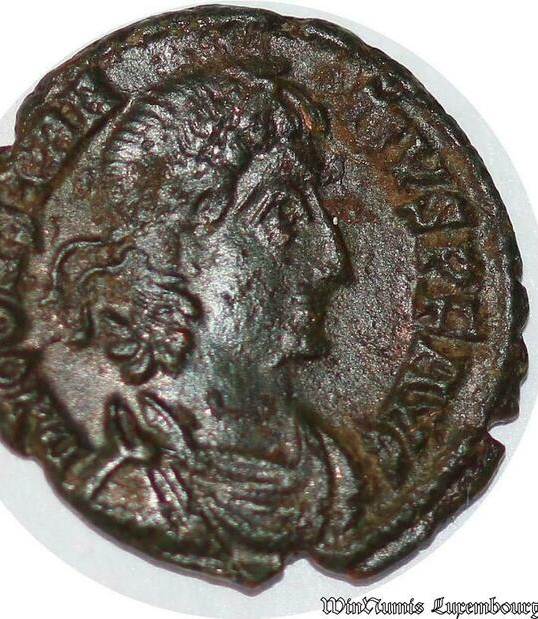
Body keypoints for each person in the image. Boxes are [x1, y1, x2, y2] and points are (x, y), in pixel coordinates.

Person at [45, 65, 359, 585]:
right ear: (172, 250)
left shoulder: (337, 475)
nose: (332, 258)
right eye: (282, 215)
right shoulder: (131, 485)